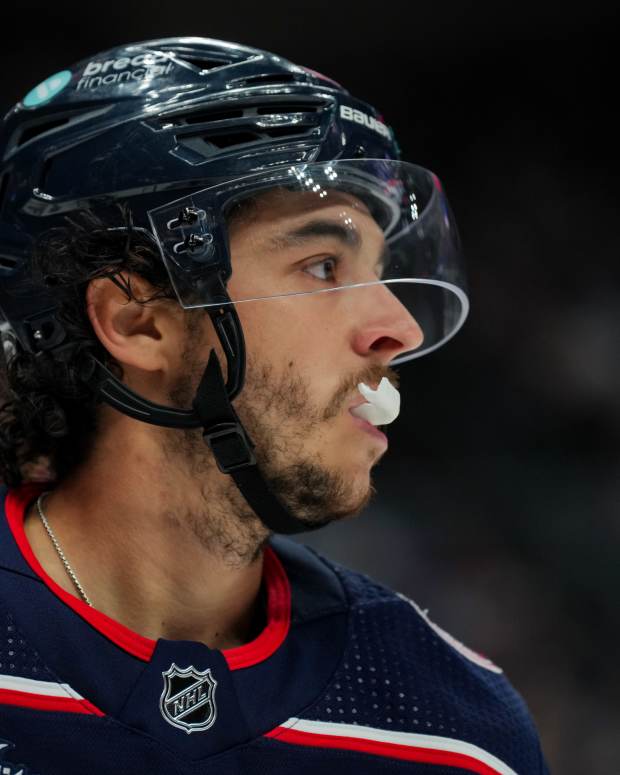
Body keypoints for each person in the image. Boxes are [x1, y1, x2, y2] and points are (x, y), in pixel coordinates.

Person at [0, 38, 548, 774]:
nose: (401, 327)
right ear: (140, 322)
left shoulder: (459, 729)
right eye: (324, 265)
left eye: (378, 271)